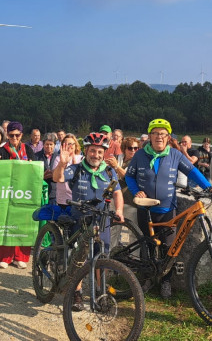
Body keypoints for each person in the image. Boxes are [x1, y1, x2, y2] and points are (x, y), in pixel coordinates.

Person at [125, 118, 211, 300]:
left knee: (169, 247)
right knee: (146, 244)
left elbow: (192, 172)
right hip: (145, 210)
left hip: (167, 210)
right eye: (155, 133)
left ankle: (166, 281)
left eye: (163, 134)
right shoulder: (140, 155)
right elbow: (129, 177)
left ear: (168, 137)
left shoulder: (175, 154)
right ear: (150, 136)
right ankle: (146, 278)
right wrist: (136, 191)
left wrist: (208, 188)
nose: (159, 137)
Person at [53, 132, 124, 311]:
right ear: (86, 151)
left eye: (100, 152)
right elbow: (58, 178)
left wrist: (120, 210)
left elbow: (117, 192)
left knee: (102, 257)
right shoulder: (76, 169)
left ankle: (101, 293)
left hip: (103, 219)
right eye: (93, 151)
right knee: (79, 257)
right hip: (80, 219)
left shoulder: (109, 171)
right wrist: (62, 163)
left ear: (104, 153)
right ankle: (77, 293)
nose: (96, 155)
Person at [0, 121, 35, 269]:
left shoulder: (27, 149)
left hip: (24, 192)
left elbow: (35, 171)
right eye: (11, 135)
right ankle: (5, 257)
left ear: (21, 135)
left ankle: (20, 257)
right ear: (8, 135)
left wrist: (31, 165)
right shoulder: (2, 150)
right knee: (6, 224)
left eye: (17, 135)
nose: (14, 137)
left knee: (22, 224)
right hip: (7, 193)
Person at [106, 136, 140, 237]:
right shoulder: (117, 159)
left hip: (131, 202)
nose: (133, 150)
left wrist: (116, 167)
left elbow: (128, 178)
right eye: (130, 148)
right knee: (113, 231)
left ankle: (135, 253)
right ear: (124, 149)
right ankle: (111, 252)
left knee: (134, 233)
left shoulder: (138, 162)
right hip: (115, 201)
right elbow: (112, 180)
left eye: (136, 148)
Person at [54, 133, 83, 207]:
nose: (70, 146)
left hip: (78, 199)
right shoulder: (58, 159)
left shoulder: (81, 159)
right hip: (63, 200)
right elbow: (56, 178)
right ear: (63, 145)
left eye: (72, 144)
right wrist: (62, 164)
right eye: (68, 144)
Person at [33, 133, 59, 203]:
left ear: (55, 145)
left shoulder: (58, 157)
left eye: (51, 144)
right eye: (47, 144)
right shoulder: (36, 156)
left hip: (54, 192)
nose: (49, 146)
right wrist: (42, 176)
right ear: (43, 144)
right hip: (40, 192)